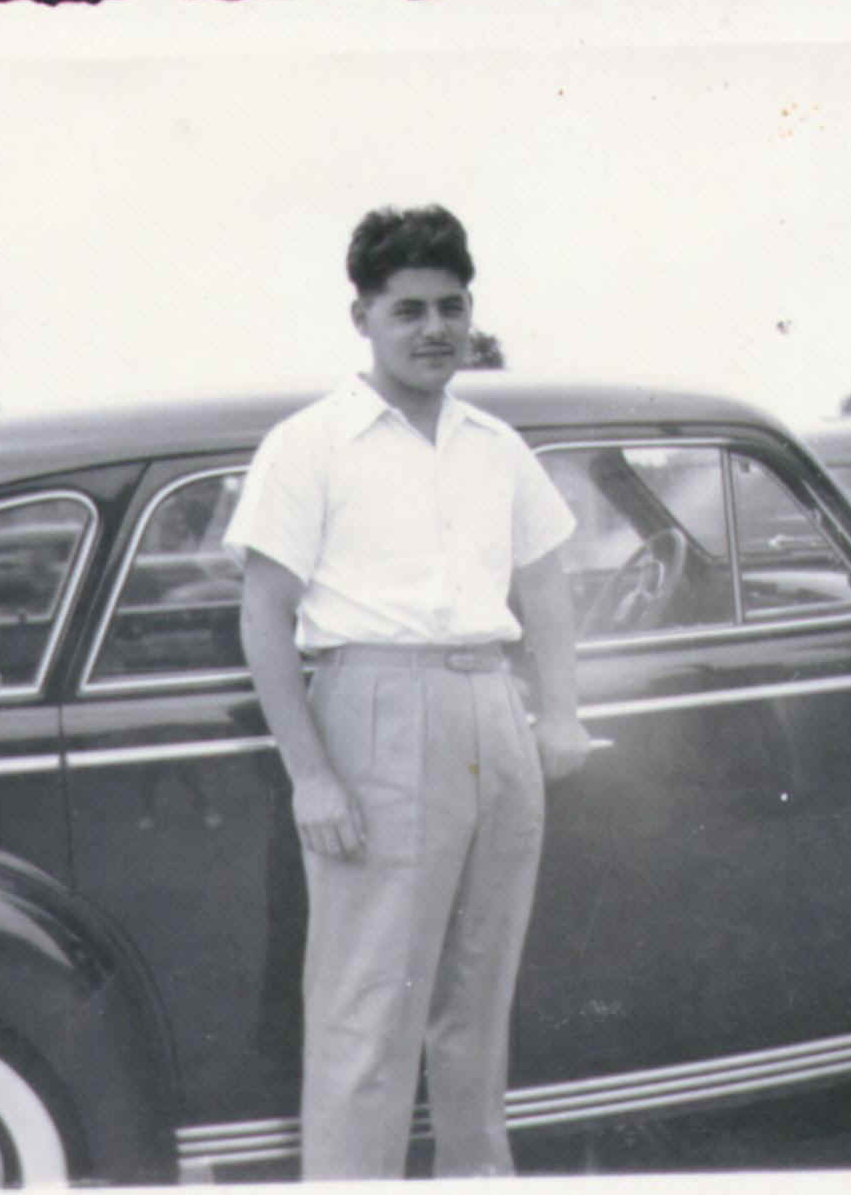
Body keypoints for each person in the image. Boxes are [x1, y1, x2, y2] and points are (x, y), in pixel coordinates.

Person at [225, 204, 590, 1180]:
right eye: (409, 309)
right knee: (366, 1010)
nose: (435, 328)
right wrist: (312, 777)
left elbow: (544, 582)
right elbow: (263, 613)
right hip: (373, 715)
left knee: (476, 1003)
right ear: (363, 318)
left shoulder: (493, 446)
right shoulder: (310, 445)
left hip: (491, 716)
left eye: (451, 306)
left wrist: (556, 711)